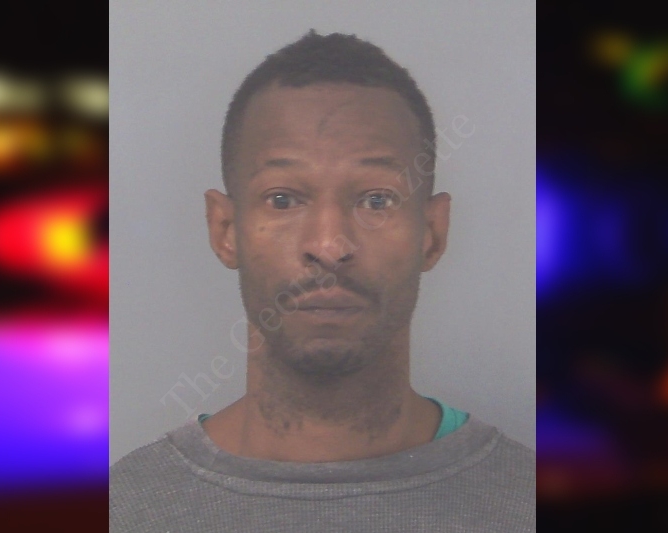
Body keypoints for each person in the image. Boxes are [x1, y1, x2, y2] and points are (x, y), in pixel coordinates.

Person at [110, 30, 535, 532]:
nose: (330, 246)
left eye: (376, 200)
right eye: (283, 199)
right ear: (225, 230)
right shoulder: (124, 510)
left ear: (432, 232)